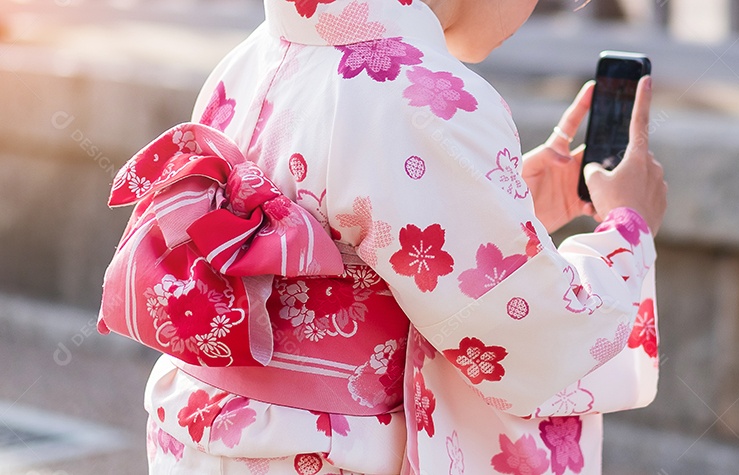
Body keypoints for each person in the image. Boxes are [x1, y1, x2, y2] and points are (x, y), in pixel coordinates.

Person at [139, 0, 667, 473]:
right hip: (329, 453)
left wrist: (505, 209)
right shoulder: (425, 95)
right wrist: (628, 228)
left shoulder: (258, 50)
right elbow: (536, 339)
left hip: (202, 435)